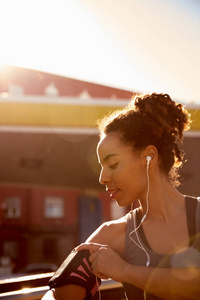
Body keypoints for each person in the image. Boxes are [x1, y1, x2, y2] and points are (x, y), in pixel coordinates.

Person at [42, 93, 200, 300]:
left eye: (113, 164)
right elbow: (55, 294)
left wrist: (124, 271)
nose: (102, 178)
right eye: (101, 167)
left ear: (149, 157)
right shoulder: (110, 235)